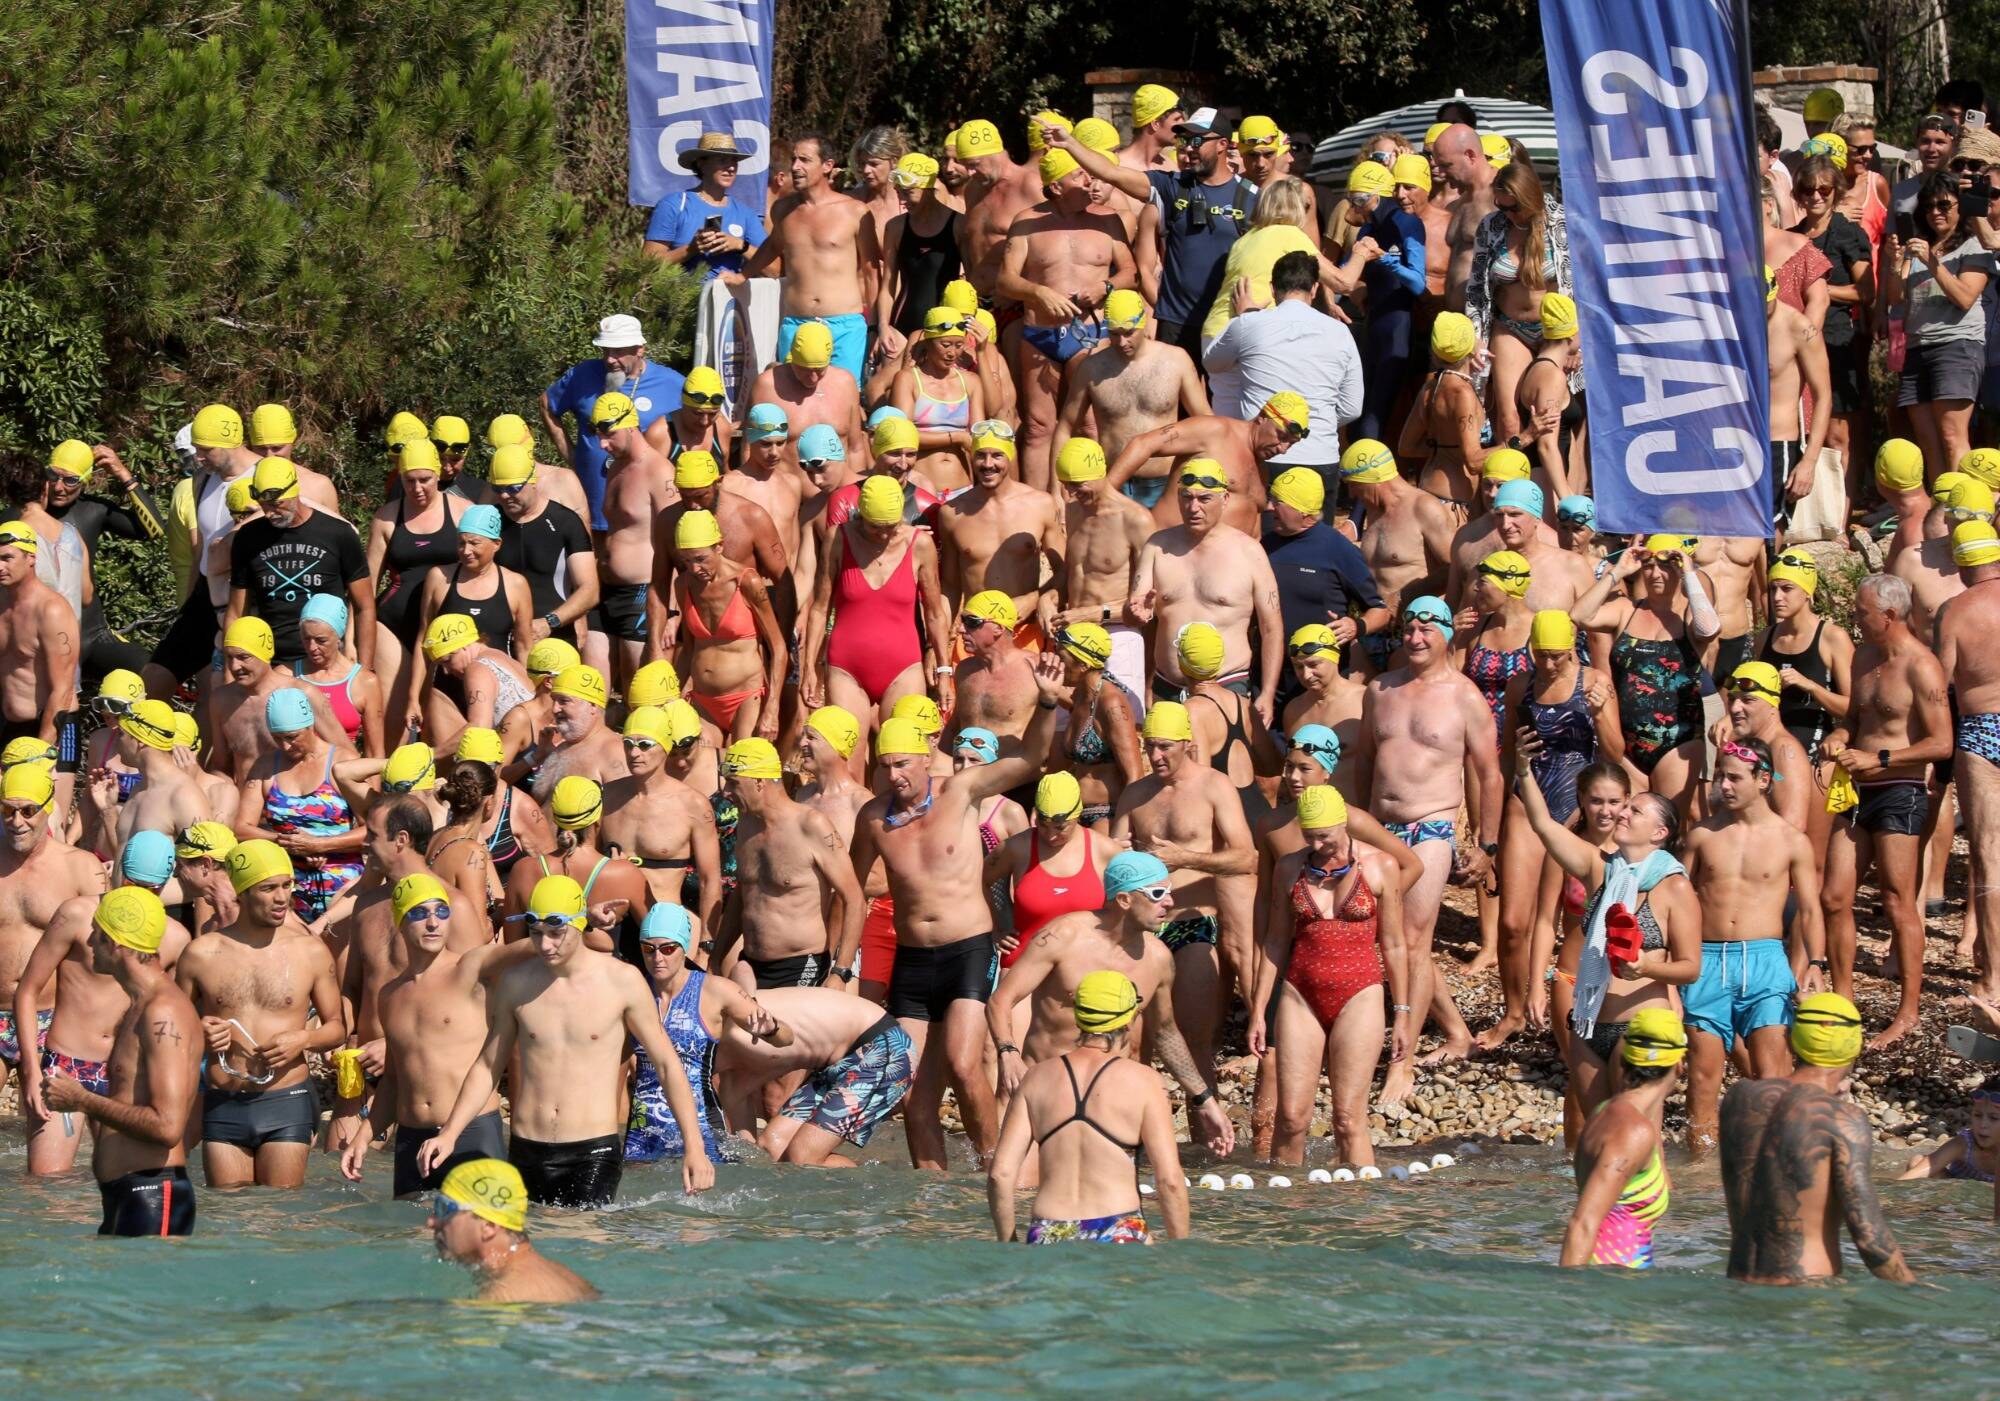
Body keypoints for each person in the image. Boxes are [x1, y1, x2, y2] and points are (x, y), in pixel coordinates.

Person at [847, 661, 1064, 1170]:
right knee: (908, 1086)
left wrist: (1048, 703)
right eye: (885, 766)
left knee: (966, 1067)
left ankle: (997, 1169)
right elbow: (851, 890)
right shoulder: (874, 818)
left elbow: (1032, 758)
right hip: (912, 961)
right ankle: (932, 1190)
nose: (895, 775)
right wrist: (841, 964)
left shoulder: (962, 793)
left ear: (926, 758)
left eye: (904, 763)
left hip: (967, 949)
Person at [417, 873, 715, 1203]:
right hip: (526, 1149)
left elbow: (667, 1065)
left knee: (579, 1246)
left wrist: (695, 1146)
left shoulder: (622, 982)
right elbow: (488, 1065)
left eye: (556, 933)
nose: (545, 945)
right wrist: (450, 1133)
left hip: (591, 1153)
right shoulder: (516, 983)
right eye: (537, 933)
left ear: (580, 924)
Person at [1353, 596, 1500, 1096]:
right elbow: (1364, 763)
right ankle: (1456, 1032)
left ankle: (1403, 1060)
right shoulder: (1380, 690)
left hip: (1430, 829)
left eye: (1426, 629)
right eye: (1409, 629)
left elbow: (1489, 773)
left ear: (1446, 634)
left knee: (1413, 943)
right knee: (1389, 940)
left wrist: (1487, 845)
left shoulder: (1464, 696)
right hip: (1379, 829)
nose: (1416, 638)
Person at [1820, 573, 1952, 1046]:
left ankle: (1908, 1012)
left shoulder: (1922, 667)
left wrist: (1880, 758)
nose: (1855, 620)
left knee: (1898, 900)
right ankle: (1844, 999)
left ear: (1889, 615)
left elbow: (1941, 743)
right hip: (1857, 788)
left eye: (1861, 613)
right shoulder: (1864, 658)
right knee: (1834, 897)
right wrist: (1837, 739)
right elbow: (1853, 720)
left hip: (1900, 787)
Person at [338, 873, 533, 1193]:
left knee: (481, 1238)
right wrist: (363, 1137)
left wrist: (579, 923)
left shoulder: (469, 969)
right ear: (400, 922)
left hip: (472, 1132)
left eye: (441, 912)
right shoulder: (390, 995)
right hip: (412, 1139)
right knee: (411, 1240)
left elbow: (529, 948)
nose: (433, 922)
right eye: (419, 913)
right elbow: (395, 1079)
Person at [1249, 785, 1409, 1170]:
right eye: (1310, 836)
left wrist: (1402, 1013)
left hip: (1361, 993)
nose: (1319, 845)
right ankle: (1289, 1215)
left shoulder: (1381, 866)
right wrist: (1258, 1011)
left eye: (1326, 836)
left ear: (1344, 824)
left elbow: (1396, 945)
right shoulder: (1291, 868)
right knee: (1290, 1119)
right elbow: (1274, 943)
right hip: (1299, 993)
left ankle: (1358, 1221)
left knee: (1348, 1120)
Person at [1682, 735, 1828, 1150]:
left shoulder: (1791, 840)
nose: (1723, 786)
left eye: (1733, 778)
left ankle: (1774, 1163)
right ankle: (1700, 1174)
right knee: (1703, 1077)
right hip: (1708, 959)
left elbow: (1811, 910)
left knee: (1771, 1075)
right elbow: (1673, 898)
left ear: (1763, 779)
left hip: (1765, 960)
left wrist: (1815, 963)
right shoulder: (1702, 836)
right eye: (1719, 778)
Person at [177, 840, 346, 1188]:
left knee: (279, 1220)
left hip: (286, 1100)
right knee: (231, 1222)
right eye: (268, 888)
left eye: (287, 885)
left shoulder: (310, 952)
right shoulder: (201, 954)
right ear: (242, 892)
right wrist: (200, 1030)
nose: (282, 897)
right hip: (223, 1101)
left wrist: (305, 1038)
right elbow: (172, 1031)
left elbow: (337, 1028)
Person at [1720, 992, 1915, 1284]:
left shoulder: (1739, 1098)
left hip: (1738, 1284)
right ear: (1852, 1046)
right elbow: (1870, 1239)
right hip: (1807, 1293)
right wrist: (1918, 1292)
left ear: (1794, 1038)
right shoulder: (1842, 1119)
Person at [38, 888, 202, 1236]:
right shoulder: (139, 1007)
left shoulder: (163, 1012)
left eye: (96, 934)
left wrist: (82, 1100)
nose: (90, 942)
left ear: (114, 943)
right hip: (131, 1196)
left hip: (154, 1195)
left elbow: (167, 1127)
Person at [1110, 702, 1255, 1093]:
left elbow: (1247, 858)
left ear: (1187, 744)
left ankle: (1207, 1150)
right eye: (1149, 746)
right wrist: (1115, 853)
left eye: (1164, 747)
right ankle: (1133, 1147)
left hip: (1194, 924)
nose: (1155, 756)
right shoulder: (1136, 793)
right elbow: (1112, 857)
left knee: (1194, 1044)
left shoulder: (1213, 785)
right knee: (1132, 1043)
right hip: (1142, 929)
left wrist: (1185, 858)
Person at [987, 970, 1190, 1244]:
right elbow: (1170, 1181)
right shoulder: (1145, 1082)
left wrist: (1008, 1242)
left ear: (1078, 1014)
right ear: (1130, 1018)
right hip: (1119, 1228)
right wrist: (1181, 1256)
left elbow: (1000, 1175)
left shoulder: (1035, 1078)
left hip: (1048, 1231)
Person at [1052, 109, 1255, 360]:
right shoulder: (1172, 186)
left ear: (1223, 144)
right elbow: (1111, 173)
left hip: (1227, 319)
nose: (1189, 148)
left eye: (1197, 140)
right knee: (1173, 399)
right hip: (1176, 322)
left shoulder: (1253, 197)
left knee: (1225, 399)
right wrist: (1068, 143)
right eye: (1184, 140)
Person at [996, 150, 1136, 491]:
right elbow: (1005, 280)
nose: (1090, 180)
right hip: (1040, 333)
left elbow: (1131, 273)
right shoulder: (1028, 222)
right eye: (1080, 176)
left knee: (1089, 425)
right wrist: (1038, 292)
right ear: (1056, 186)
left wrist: (1105, 287)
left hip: (1090, 332)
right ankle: (1040, 507)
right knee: (1038, 426)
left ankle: (1093, 499)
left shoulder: (1108, 219)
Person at [1571, 536, 1722, 811]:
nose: (1655, 574)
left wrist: (1689, 573)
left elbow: (1709, 629)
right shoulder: (1626, 609)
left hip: (1678, 743)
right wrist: (1617, 572)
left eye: (1665, 566)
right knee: (1628, 824)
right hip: (1627, 743)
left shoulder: (1688, 615)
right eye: (1649, 566)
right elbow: (1580, 616)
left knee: (1666, 824)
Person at [1130, 462, 1285, 719]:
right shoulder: (1157, 546)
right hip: (1167, 685)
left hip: (1227, 683)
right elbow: (1137, 616)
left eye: (1204, 499)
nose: (1194, 508)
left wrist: (1267, 693)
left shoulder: (1249, 552)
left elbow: (1271, 627)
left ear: (1224, 499)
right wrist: (1134, 613)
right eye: (1186, 498)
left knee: (1221, 759)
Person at [802, 475, 950, 729]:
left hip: (904, 667)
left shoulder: (919, 544)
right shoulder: (838, 538)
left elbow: (935, 613)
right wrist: (809, 667)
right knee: (847, 756)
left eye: (890, 527)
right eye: (875, 527)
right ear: (860, 515)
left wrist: (944, 671)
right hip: (846, 667)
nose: (883, 535)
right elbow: (820, 608)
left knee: (902, 751)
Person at [708, 984, 915, 1165]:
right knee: (772, 1146)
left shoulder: (737, 1034)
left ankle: (879, 1187)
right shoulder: (731, 1074)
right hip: (837, 1060)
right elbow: (748, 1150)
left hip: (882, 1047)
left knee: (802, 1157)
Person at [717, 738, 864, 990]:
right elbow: (742, 895)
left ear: (759, 782)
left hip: (801, 964)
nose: (725, 792)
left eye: (733, 783)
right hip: (751, 963)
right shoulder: (746, 824)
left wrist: (840, 971)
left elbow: (854, 899)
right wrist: (716, 957)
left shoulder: (811, 825)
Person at [17, 439, 165, 685]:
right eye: (53, 475)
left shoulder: (93, 511)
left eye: (71, 480)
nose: (59, 487)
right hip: (40, 639)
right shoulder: (20, 515)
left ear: (85, 482)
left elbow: (154, 530)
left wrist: (122, 473)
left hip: (92, 635)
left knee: (152, 675)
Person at [0, 764, 107, 1099]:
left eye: (28, 811)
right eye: (7, 810)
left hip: (57, 1019)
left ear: (48, 808)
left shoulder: (80, 866)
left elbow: (109, 950)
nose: (17, 822)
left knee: (53, 1132)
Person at [1054, 290, 1209, 517]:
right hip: (1111, 483)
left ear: (1144, 323)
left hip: (1165, 483)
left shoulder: (1176, 360)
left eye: (1129, 333)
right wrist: (1055, 489)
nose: (1121, 342)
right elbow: (1065, 428)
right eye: (1114, 334)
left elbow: (1206, 422)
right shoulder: (1092, 368)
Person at [738, 134, 878, 384]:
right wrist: (743, 275)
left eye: (804, 160)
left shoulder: (854, 211)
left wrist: (877, 326)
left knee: (841, 400)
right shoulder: (783, 210)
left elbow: (871, 270)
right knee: (793, 403)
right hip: (796, 324)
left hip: (844, 326)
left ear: (827, 166)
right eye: (794, 159)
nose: (795, 167)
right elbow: (773, 246)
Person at [1204, 251, 1362, 464]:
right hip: (1320, 455)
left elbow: (1212, 363)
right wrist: (1316, 424)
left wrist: (1244, 318)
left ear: (1272, 288)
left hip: (1262, 455)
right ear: (1314, 289)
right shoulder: (1341, 332)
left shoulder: (1248, 323)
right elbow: (1352, 406)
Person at [1886, 168, 1993, 480]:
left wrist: (1931, 260)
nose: (1935, 213)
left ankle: (1966, 510)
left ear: (1960, 206)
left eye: (1944, 205)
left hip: (1957, 347)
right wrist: (1895, 264)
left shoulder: (1973, 247)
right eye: (1929, 206)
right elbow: (1896, 300)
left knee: (1951, 438)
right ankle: (1939, 516)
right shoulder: (1917, 246)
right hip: (1918, 347)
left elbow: (1964, 297)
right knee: (1929, 444)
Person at [1559, 1009, 1683, 1269]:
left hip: (1617, 1287)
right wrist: (1569, 1294)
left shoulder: (1604, 1113)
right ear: (1679, 1063)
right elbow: (1582, 1223)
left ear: (1625, 1059)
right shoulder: (1631, 1132)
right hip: (1608, 1288)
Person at [228, 456, 375, 677]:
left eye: (277, 504)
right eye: (264, 505)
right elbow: (236, 612)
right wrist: (230, 676)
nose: (269, 513)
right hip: (273, 662)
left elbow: (365, 606)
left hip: (327, 663)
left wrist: (364, 672)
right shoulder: (248, 538)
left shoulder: (338, 534)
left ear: (294, 492)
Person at [541, 313, 683, 531]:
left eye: (618, 351)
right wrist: (572, 456)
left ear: (639, 349)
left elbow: (703, 419)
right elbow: (547, 404)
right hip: (592, 503)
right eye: (605, 350)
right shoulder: (583, 375)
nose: (609, 359)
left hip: (643, 513)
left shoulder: (672, 384)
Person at [235, 688, 365, 923]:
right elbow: (241, 829)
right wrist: (289, 843)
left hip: (341, 889)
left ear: (310, 726)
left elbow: (373, 831)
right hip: (284, 892)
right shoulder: (266, 767)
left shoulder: (343, 763)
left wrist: (320, 845)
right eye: (277, 738)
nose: (285, 746)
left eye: (292, 737)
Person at [1466, 161, 1572, 445]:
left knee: (1556, 418)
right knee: (1508, 416)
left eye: (1514, 207)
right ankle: (1509, 481)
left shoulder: (1561, 221)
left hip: (1557, 332)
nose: (1509, 215)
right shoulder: (1491, 227)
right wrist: (1476, 337)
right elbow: (1476, 288)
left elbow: (1581, 285)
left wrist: (1578, 339)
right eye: (1502, 207)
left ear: (1530, 198)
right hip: (1511, 328)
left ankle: (1560, 488)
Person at [669, 510, 787, 739]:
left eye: (700, 559)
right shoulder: (683, 584)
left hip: (747, 696)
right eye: (686, 561)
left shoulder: (747, 581)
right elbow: (688, 648)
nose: (694, 569)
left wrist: (773, 708)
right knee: (703, 770)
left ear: (719, 546)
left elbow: (779, 648)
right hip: (703, 699)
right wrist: (672, 695)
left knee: (745, 769)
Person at [937, 425, 1063, 633]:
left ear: (1010, 456)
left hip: (1026, 631)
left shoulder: (1041, 505)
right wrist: (936, 647)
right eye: (980, 456)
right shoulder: (951, 513)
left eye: (997, 455)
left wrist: (1033, 599)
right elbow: (950, 586)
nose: (988, 464)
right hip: (976, 635)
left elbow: (1064, 573)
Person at [427, 1158, 598, 1302]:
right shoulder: (559, 1272)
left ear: (489, 1226)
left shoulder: (502, 1296)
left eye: (443, 1208)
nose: (431, 1222)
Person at [0, 521, 81, 755]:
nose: (0, 566)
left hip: (55, 725)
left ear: (31, 558)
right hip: (11, 726)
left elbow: (63, 690)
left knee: (52, 792)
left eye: (7, 558)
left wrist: (40, 751)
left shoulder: (52, 610)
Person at [417, 504, 534, 663]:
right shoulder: (439, 578)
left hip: (494, 684)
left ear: (496, 544)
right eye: (461, 543)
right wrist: (415, 689)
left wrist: (527, 686)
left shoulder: (515, 584)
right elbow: (424, 641)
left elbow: (524, 647)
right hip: (444, 685)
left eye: (474, 543)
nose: (466, 551)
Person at [889, 307, 988, 494]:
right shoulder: (908, 379)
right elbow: (902, 437)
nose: (952, 353)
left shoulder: (971, 381)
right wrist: (955, 437)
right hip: (919, 488)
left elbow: (978, 436)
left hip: (962, 486)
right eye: (945, 344)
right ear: (928, 341)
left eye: (959, 345)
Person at [643, 131, 766, 280]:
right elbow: (647, 266)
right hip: (681, 301)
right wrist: (691, 249)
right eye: (722, 160)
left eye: (734, 161)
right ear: (701, 163)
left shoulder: (745, 214)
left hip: (730, 302)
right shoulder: (674, 205)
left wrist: (740, 245)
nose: (731, 167)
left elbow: (775, 270)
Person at [1400, 312, 1488, 514]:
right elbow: (1473, 462)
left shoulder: (1431, 387)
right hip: (1454, 500)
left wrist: (1443, 448)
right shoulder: (1462, 393)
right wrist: (1520, 440)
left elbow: (1407, 447)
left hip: (1429, 490)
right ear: (1469, 346)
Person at [1764, 262, 1830, 531]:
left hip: (1778, 441)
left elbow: (1823, 395)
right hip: (1734, 438)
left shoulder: (1799, 328)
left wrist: (1809, 461)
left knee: (1768, 537)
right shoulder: (1733, 322)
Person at [418, 614, 537, 759]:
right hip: (533, 752)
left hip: (523, 758)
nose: (446, 671)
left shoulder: (477, 668)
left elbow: (479, 727)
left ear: (464, 646)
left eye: (447, 661)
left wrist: (433, 754)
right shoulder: (501, 657)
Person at [875, 154, 963, 346]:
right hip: (903, 323)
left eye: (907, 193)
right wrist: (883, 326)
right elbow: (888, 285)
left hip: (947, 325)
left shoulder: (958, 225)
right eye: (898, 193)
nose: (901, 200)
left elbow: (970, 280)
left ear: (927, 188)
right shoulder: (896, 227)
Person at [290, 593, 385, 757]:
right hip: (298, 776)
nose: (312, 647)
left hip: (342, 773)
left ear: (338, 636)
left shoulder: (364, 682)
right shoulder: (287, 676)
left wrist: (372, 783)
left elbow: (375, 752)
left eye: (321, 640)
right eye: (307, 639)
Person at [1434, 125, 1499, 311]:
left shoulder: (1502, 194)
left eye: (1446, 165)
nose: (1442, 173)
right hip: (1455, 323)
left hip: (1489, 320)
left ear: (1470, 155)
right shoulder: (1459, 201)